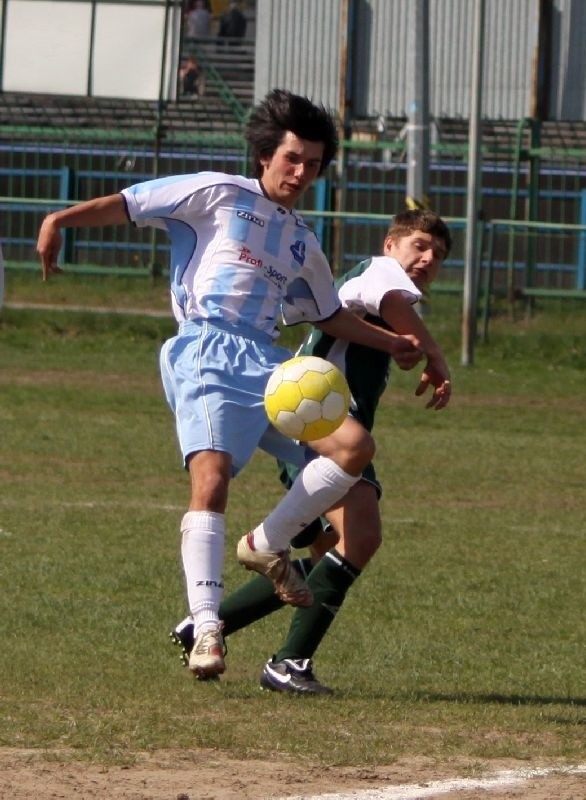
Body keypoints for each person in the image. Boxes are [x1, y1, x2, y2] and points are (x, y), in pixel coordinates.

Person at [36, 90, 448, 682]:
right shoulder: (215, 192)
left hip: (268, 363)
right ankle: (206, 628)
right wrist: (59, 220)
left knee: (355, 449)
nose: (301, 172)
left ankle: (265, 541)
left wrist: (399, 346)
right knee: (212, 479)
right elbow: (128, 204)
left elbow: (329, 314)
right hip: (206, 346)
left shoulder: (303, 240)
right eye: (292, 159)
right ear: (264, 155)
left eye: (313, 164)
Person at [170, 208, 453, 694]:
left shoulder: (377, 291)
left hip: (322, 426)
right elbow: (391, 298)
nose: (427, 259)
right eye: (419, 247)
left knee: (332, 553)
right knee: (360, 537)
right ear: (391, 245)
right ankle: (288, 662)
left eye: (438, 255)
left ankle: (207, 625)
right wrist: (434, 353)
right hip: (318, 428)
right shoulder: (379, 274)